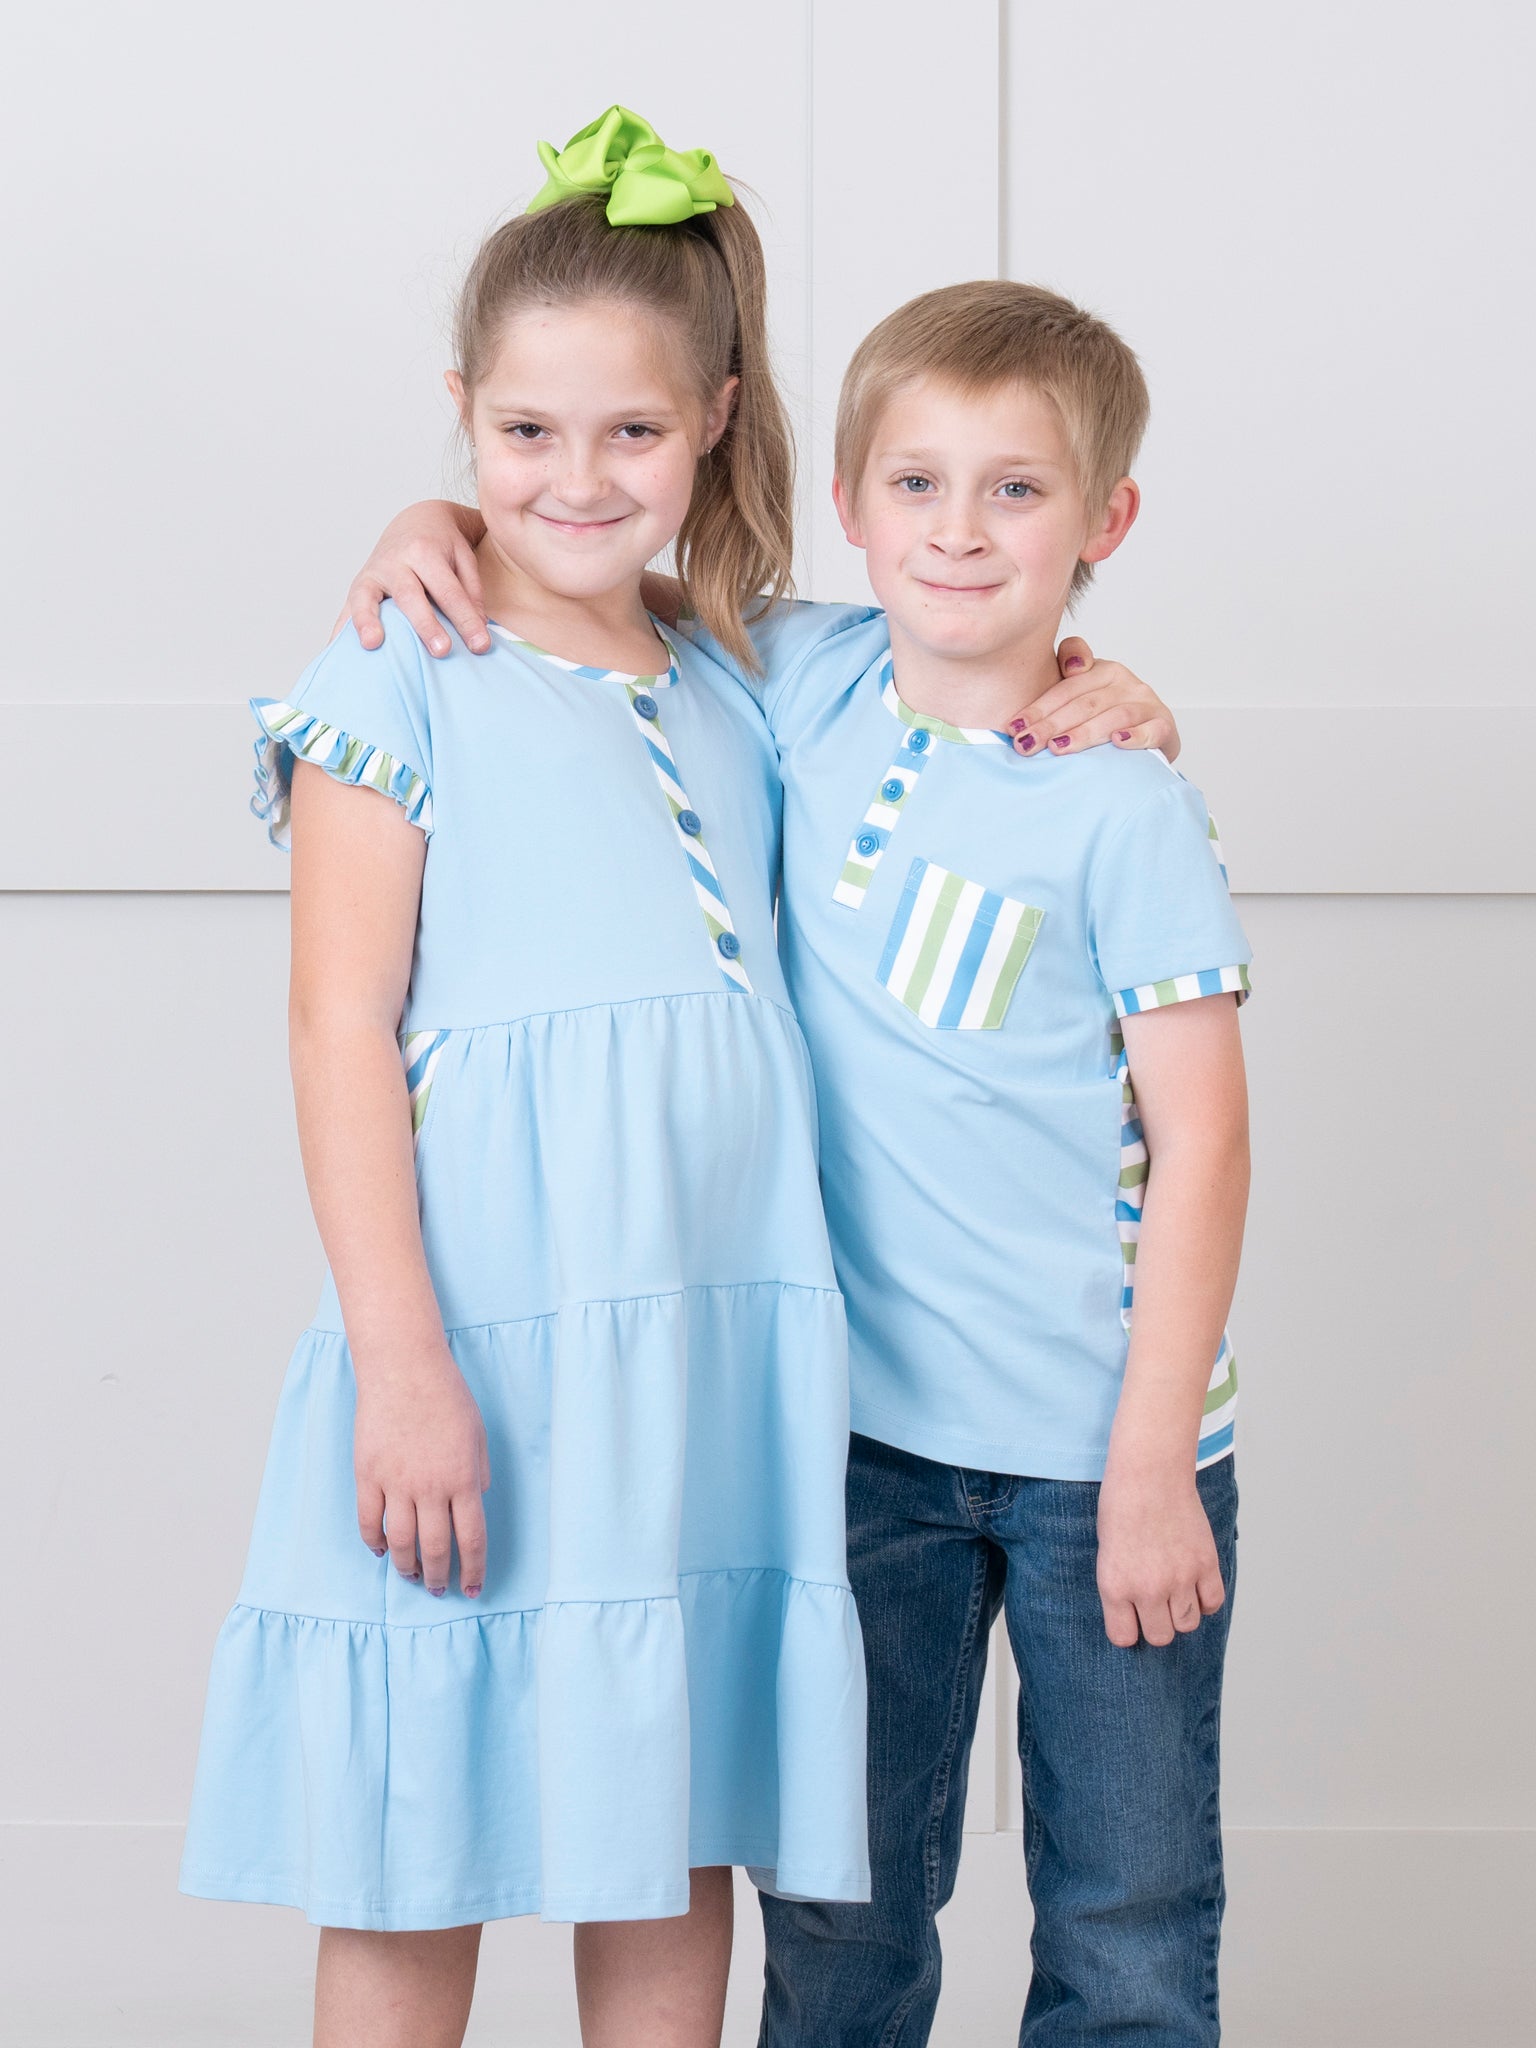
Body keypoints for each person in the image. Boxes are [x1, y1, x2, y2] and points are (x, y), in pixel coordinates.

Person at [359, 277, 1250, 2044]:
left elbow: (1207, 1141)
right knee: (841, 1912)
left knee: (1128, 1914)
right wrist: (432, 519)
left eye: (1018, 491)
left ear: (1106, 522)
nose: (960, 530)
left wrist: (1153, 1460)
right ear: (848, 502)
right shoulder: (796, 673)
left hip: (1106, 1457)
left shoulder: (1121, 799)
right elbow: (580, 554)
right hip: (857, 1449)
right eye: (917, 484)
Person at [178, 107, 869, 2048]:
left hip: (700, 1356)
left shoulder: (745, 679)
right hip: (478, 1344)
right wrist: (401, 1367)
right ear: (461, 418)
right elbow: (336, 1028)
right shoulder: (397, 673)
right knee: (428, 1819)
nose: (578, 477)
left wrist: (1096, 689)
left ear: (716, 418)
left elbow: (969, 660)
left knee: (670, 1825)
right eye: (526, 433)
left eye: (631, 430)